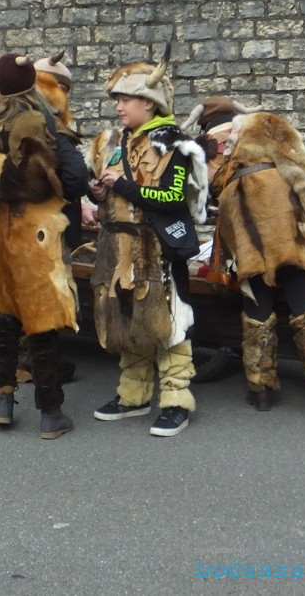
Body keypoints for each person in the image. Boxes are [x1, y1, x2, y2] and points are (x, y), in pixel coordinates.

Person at [0, 53, 88, 439]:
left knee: (3, 311)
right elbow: (76, 177)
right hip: (35, 231)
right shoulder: (42, 123)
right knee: (40, 315)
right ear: (34, 82)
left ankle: (3, 402)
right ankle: (51, 414)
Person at [189, 98, 305, 413]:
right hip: (290, 234)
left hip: (249, 240)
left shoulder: (208, 150)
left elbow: (201, 204)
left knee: (257, 312)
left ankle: (261, 392)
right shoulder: (272, 130)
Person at [87, 53, 208, 437]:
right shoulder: (116, 142)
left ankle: (176, 401)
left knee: (170, 324)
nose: (119, 107)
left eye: (126, 99)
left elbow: (172, 198)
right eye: (117, 100)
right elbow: (114, 191)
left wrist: (121, 185)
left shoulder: (175, 144)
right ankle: (133, 395)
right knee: (129, 320)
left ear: (149, 102)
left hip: (158, 250)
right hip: (117, 247)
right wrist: (99, 193)